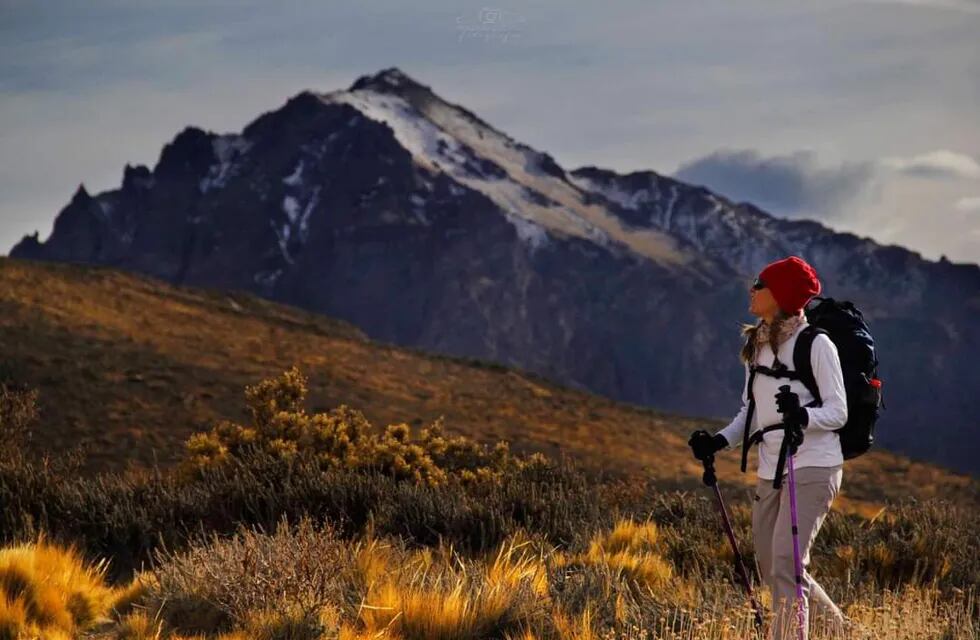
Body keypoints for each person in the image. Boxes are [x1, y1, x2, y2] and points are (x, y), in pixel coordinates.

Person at [688, 255, 847, 640]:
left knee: (785, 563)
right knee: (774, 563)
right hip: (770, 470)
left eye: (759, 283)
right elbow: (752, 411)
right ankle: (840, 631)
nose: (752, 289)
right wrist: (719, 441)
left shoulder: (817, 344)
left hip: (813, 465)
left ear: (780, 294)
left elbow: (838, 411)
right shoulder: (756, 345)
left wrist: (803, 417)